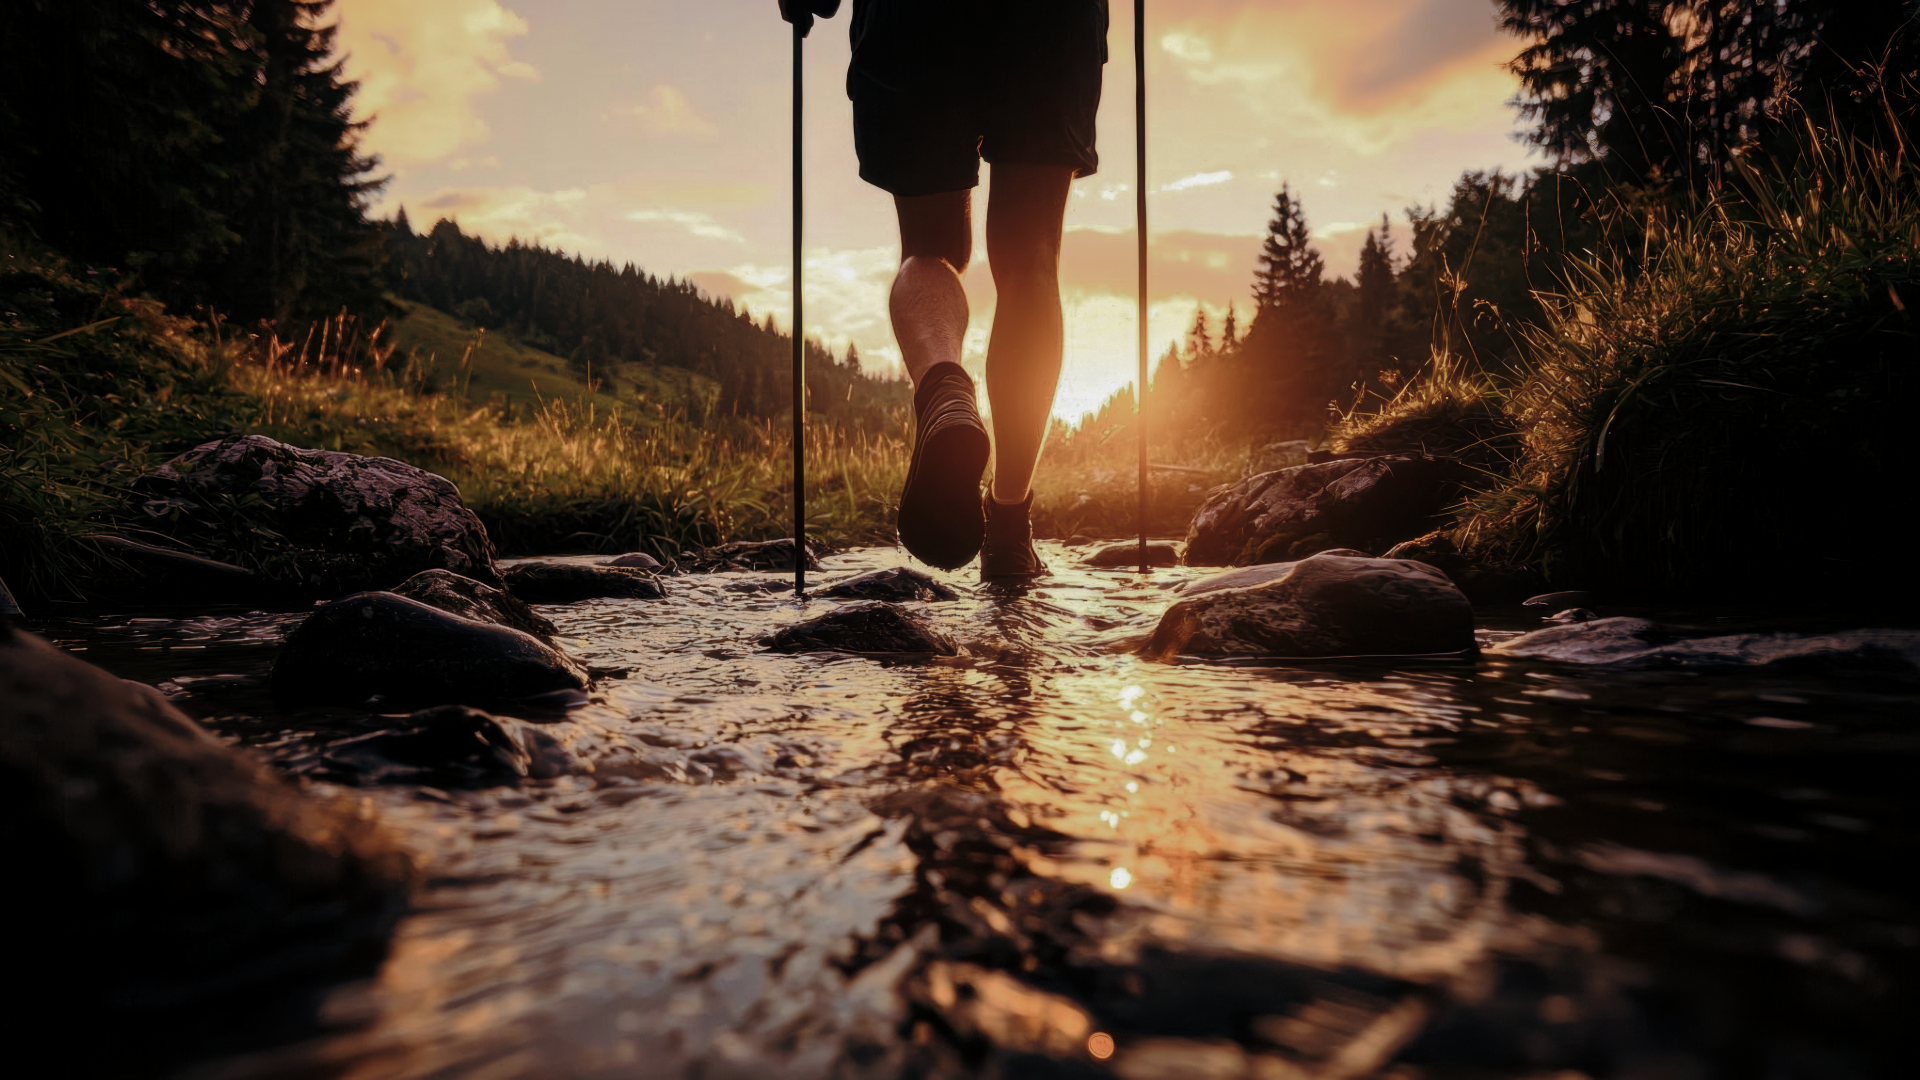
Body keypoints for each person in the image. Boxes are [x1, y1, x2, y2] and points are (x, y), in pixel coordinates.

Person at [780, 0, 1107, 578]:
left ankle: (944, 389)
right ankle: (1009, 528)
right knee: (1030, 260)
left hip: (912, 18)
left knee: (929, 250)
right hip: (1050, 21)